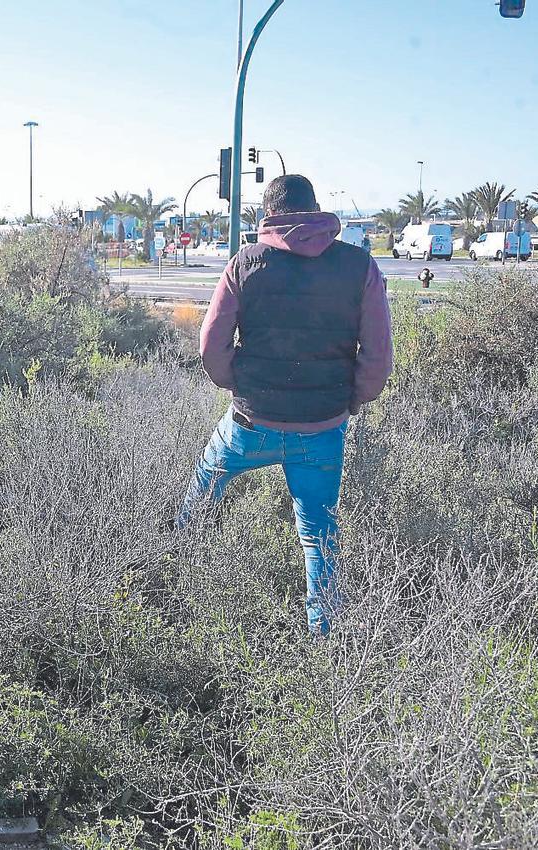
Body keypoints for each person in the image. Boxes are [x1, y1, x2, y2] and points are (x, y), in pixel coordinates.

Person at [177, 174, 393, 636]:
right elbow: (378, 357)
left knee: (202, 493)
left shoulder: (245, 264)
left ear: (268, 215)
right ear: (315, 208)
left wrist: (240, 387)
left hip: (250, 422)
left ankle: (174, 584)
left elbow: (211, 347)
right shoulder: (359, 266)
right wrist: (349, 402)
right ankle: (324, 637)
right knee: (318, 535)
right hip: (322, 428)